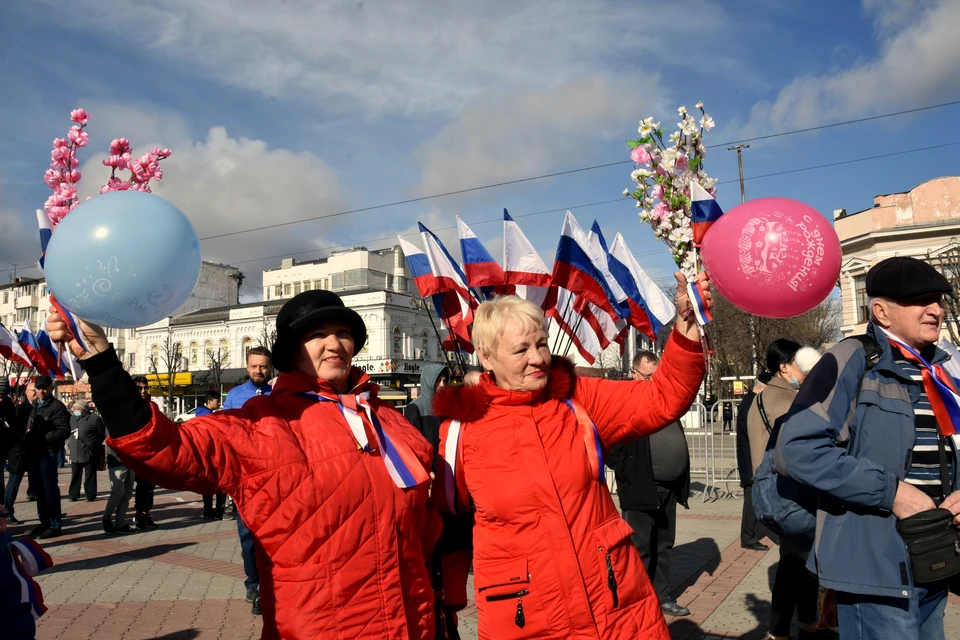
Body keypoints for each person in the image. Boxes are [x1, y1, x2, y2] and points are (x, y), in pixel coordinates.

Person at [48, 289, 441, 639]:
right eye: (317, 335)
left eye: (343, 332)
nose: (335, 343)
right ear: (291, 352)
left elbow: (426, 521)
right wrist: (102, 364)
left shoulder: (388, 420)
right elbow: (164, 449)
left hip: (415, 618)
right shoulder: (263, 422)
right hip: (322, 624)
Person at [432, 273, 710, 639]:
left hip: (615, 606)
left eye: (542, 344)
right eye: (520, 350)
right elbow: (448, 531)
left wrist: (687, 325)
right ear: (485, 356)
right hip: (526, 619)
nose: (538, 359)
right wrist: (446, 610)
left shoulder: (579, 399)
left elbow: (662, 397)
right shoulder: (460, 433)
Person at [780, 257, 960, 640]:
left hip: (935, 554)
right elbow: (797, 449)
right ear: (881, 311)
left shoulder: (942, 368)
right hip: (874, 566)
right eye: (920, 300)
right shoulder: (851, 358)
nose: (936, 309)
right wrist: (893, 492)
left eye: (939, 300)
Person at [607, 349, 693, 618]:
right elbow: (609, 444)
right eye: (648, 376)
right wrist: (628, 472)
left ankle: (662, 596)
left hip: (668, 487)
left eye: (658, 376)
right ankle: (637, 603)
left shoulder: (663, 397)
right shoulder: (622, 402)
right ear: (634, 373)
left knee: (664, 544)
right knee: (639, 548)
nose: (654, 381)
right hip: (641, 487)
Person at [747, 340, 821, 640]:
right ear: (785, 366)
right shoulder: (789, 401)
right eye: (799, 364)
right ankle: (783, 628)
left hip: (771, 491)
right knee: (796, 564)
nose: (804, 371)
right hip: (791, 493)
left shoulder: (762, 398)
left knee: (798, 561)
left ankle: (803, 620)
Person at [224, 347, 275, 615]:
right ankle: (253, 582)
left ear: (271, 367)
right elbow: (225, 436)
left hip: (276, 478)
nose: (258, 371)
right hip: (245, 480)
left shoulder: (279, 394)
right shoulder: (234, 397)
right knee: (248, 537)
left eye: (263, 367)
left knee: (274, 536)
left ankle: (270, 587)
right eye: (254, 366)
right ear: (247, 367)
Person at [25, 376, 70, 538]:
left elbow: (64, 430)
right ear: (35, 389)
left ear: (50, 388)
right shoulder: (35, 406)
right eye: (39, 388)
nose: (42, 391)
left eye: (45, 387)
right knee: (38, 489)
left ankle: (54, 525)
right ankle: (44, 522)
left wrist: (42, 439)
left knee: (49, 489)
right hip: (34, 453)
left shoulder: (56, 406)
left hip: (48, 453)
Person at [736, 371, 772, 552]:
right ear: (761, 387)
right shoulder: (750, 404)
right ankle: (748, 536)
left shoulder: (752, 401)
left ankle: (749, 534)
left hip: (753, 459)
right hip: (750, 460)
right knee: (752, 500)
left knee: (755, 498)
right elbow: (749, 432)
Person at [3, 383, 34, 525]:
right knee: (13, 483)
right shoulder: (17, 409)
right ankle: (7, 512)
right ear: (27, 392)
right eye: (33, 390)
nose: (37, 392)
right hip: (17, 452)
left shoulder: (33, 407)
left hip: (31, 451)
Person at [131, 376, 159, 531]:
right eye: (139, 388)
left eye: (145, 388)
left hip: (151, 452)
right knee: (136, 488)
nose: (143, 391)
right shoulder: (129, 406)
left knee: (149, 487)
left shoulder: (152, 406)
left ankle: (146, 514)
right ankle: (137, 514)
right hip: (134, 453)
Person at [196, 391, 227, 520]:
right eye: (217, 401)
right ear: (209, 401)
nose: (219, 403)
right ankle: (218, 510)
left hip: (205, 454)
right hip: (213, 454)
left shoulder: (201, 414)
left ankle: (208, 510)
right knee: (222, 482)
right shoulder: (209, 417)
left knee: (208, 483)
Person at [67, 401, 105, 502]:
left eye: (77, 409)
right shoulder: (73, 418)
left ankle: (90, 494)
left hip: (89, 451)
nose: (75, 411)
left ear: (84, 410)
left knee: (90, 474)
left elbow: (101, 433)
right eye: (74, 409)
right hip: (75, 450)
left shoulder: (94, 419)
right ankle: (73, 495)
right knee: (75, 474)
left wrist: (93, 444)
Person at [404, 364, 449, 449]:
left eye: (444, 381)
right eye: (438, 380)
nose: (442, 385)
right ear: (429, 382)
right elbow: (412, 443)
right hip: (428, 460)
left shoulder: (448, 405)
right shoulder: (415, 407)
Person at [102, 436, 136, 534]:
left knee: (127, 494)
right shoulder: (109, 421)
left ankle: (120, 524)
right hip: (116, 462)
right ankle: (106, 517)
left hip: (131, 461)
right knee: (118, 492)